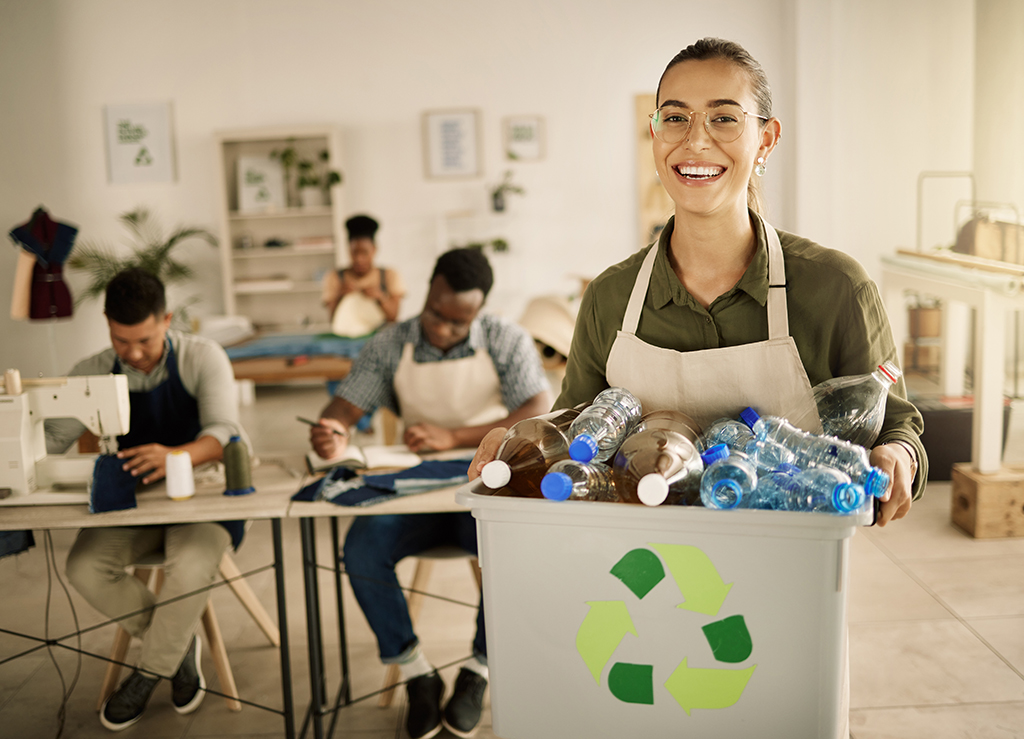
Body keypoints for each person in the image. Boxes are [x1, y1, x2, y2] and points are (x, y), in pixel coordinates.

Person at [469, 39, 928, 736]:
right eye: (674, 117)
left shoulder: (832, 288)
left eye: (724, 118)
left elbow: (897, 425)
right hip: (632, 590)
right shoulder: (612, 299)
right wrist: (512, 452)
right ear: (654, 135)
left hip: (786, 590)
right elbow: (576, 438)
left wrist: (898, 459)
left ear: (766, 138)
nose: (695, 141)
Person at [310, 248, 550, 739]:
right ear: (427, 293)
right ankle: (417, 672)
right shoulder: (389, 343)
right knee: (361, 548)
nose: (442, 329)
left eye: (458, 323)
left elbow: (538, 412)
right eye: (436, 314)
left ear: (478, 312)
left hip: (480, 487)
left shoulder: (504, 339)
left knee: (512, 549)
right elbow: (344, 407)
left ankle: (479, 670)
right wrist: (331, 429)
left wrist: (454, 437)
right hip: (412, 495)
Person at [46, 267, 245, 731]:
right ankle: (176, 651)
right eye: (121, 341)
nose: (133, 354)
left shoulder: (203, 357)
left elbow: (224, 433)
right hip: (132, 507)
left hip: (204, 503)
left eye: (146, 341)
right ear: (107, 324)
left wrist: (177, 455)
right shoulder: (92, 372)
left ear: (167, 320)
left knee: (192, 565)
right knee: (83, 567)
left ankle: (152, 667)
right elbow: (53, 436)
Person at [322, 213, 406, 336]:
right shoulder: (334, 277)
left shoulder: (389, 275)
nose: (359, 259)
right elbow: (333, 320)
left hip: (382, 339)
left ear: (374, 249)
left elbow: (393, 317)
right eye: (354, 252)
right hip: (348, 341)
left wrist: (380, 297)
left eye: (364, 253)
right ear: (348, 250)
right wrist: (340, 296)